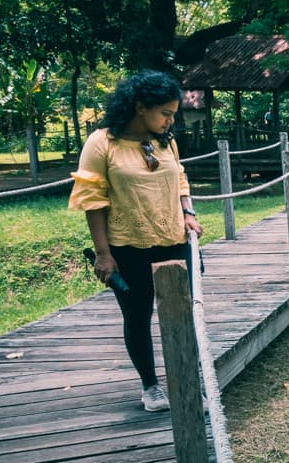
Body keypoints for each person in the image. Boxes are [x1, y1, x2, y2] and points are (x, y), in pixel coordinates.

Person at [69, 70, 203, 411]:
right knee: (138, 316)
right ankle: (151, 386)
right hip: (128, 248)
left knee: (184, 316)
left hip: (174, 241)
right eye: (166, 113)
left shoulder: (165, 141)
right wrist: (103, 254)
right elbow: (92, 200)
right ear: (141, 106)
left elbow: (181, 178)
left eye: (173, 113)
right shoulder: (102, 143)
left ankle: (189, 382)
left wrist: (189, 213)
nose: (170, 120)